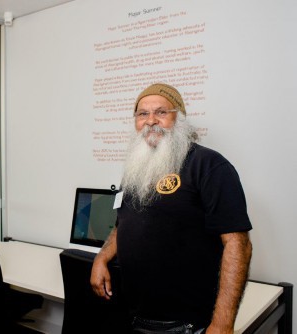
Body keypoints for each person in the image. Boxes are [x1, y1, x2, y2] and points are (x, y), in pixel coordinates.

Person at [90, 83, 253, 334]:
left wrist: (223, 323)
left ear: (179, 119)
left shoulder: (208, 164)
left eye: (161, 112)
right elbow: (122, 224)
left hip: (187, 324)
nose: (150, 121)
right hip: (136, 317)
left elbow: (238, 244)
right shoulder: (135, 170)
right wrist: (102, 257)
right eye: (142, 114)